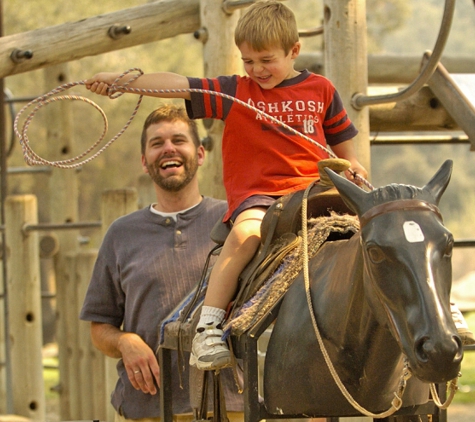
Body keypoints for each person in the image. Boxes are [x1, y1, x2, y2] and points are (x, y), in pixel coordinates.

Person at [85, 0, 474, 373]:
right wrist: (126, 82)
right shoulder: (235, 92)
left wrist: (353, 168)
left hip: (318, 191)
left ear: (294, 51)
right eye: (248, 61)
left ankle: (444, 310)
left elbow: (347, 153)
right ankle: (208, 326)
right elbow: (178, 85)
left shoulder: (320, 90)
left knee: (394, 230)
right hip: (262, 197)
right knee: (245, 235)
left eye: (267, 60)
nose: (257, 69)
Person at [79, 104, 244, 421]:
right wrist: (125, 341)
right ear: (144, 161)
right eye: (157, 143)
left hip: (229, 403)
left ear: (200, 154)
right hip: (148, 407)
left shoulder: (234, 222)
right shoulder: (121, 233)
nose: (168, 148)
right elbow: (99, 327)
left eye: (178, 140)